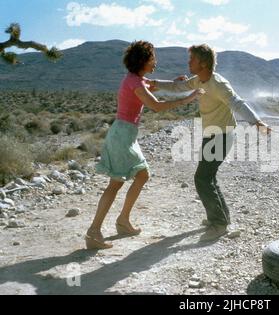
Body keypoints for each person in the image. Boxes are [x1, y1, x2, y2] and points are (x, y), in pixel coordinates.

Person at [85, 41, 204, 250]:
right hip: (122, 136)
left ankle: (122, 221)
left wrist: (175, 82)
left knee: (141, 175)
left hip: (126, 134)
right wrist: (189, 98)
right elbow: (156, 106)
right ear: (143, 60)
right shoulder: (134, 82)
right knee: (116, 184)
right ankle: (94, 232)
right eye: (152, 58)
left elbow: (154, 85)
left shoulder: (136, 79)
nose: (155, 61)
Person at [148, 44, 271, 242]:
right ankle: (221, 218)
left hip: (222, 135)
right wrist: (154, 83)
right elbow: (179, 86)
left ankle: (219, 224)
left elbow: (238, 103)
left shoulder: (218, 84)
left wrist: (256, 122)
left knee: (202, 179)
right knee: (208, 177)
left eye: (192, 60)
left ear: (203, 63)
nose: (188, 63)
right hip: (212, 134)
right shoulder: (199, 80)